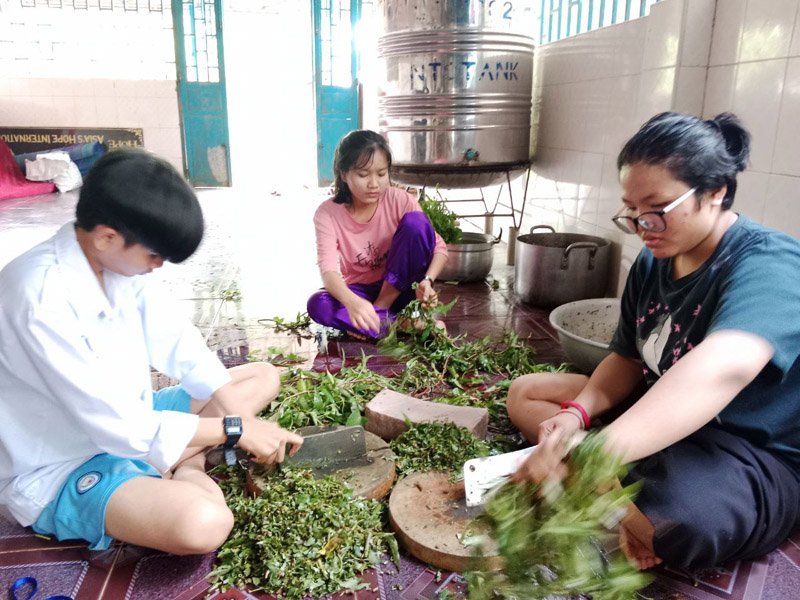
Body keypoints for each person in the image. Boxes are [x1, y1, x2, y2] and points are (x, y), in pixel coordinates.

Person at [507, 112, 800, 572]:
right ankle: (617, 486)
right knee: (526, 393)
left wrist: (594, 456)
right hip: (656, 402)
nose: (643, 226)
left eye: (656, 209)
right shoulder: (654, 259)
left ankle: (613, 481)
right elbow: (625, 357)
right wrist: (577, 414)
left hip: (742, 448)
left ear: (714, 192)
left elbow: (723, 366)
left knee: (684, 518)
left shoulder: (770, 264)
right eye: (632, 210)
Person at [0, 148, 303, 556]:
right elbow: (121, 430)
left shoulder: (111, 260)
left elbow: (179, 341)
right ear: (107, 235)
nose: (157, 266)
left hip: (135, 415)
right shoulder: (38, 299)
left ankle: (178, 461)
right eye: (153, 255)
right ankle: (188, 465)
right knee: (204, 523)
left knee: (261, 376)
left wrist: (241, 416)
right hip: (65, 463)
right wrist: (237, 431)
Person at [307, 129, 448, 339]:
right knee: (318, 304)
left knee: (417, 223)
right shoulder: (327, 214)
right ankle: (405, 323)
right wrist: (352, 302)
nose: (374, 184)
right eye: (363, 175)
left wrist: (427, 281)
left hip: (404, 291)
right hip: (362, 293)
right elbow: (328, 271)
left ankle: (375, 319)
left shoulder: (400, 200)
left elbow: (439, 247)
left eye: (381, 174)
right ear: (344, 174)